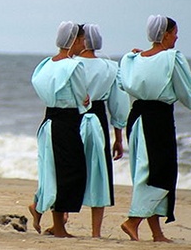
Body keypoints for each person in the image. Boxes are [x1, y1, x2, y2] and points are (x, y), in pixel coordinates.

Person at [117, 15, 191, 242]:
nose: (177, 36)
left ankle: (156, 233)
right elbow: (184, 90)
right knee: (160, 173)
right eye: (174, 32)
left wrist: (142, 58)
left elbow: (123, 82)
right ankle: (133, 220)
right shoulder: (171, 58)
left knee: (147, 170)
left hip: (136, 116)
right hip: (157, 120)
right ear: (165, 34)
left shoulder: (134, 58)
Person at [30, 21, 91, 237]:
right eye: (82, 39)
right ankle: (58, 227)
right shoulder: (73, 66)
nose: (84, 43)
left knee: (56, 172)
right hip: (66, 123)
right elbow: (82, 96)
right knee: (69, 173)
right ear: (74, 40)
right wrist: (85, 101)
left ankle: (43, 210)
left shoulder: (46, 64)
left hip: (50, 120)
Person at [76, 24, 130, 237]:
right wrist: (118, 137)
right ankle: (95, 232)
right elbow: (118, 104)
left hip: (73, 117)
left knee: (70, 169)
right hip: (98, 119)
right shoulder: (110, 67)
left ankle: (61, 218)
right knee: (99, 172)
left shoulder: (70, 64)